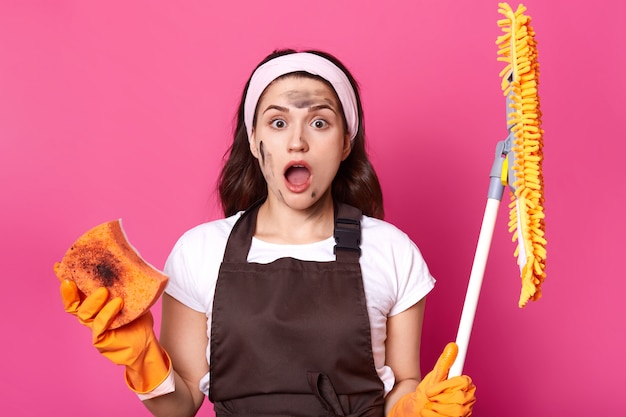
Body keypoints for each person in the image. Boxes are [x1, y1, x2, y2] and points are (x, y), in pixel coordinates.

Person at [59, 49, 477, 417]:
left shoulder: (391, 250)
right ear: (255, 139)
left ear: (345, 143)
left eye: (319, 122)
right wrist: (142, 358)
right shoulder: (200, 252)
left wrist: (412, 409)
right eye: (277, 123)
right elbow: (180, 405)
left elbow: (403, 381)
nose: (297, 142)